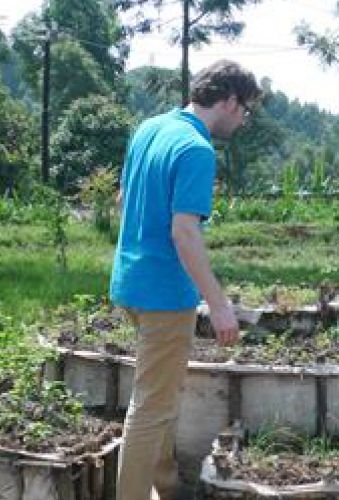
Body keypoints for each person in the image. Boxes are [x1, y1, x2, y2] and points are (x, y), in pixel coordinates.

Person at [110, 60, 258, 500]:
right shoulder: (196, 149)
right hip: (163, 296)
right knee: (150, 409)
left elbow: (123, 200)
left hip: (130, 284)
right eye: (245, 109)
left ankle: (168, 487)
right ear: (229, 100)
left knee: (161, 397)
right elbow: (184, 231)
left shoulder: (150, 128)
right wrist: (218, 302)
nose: (244, 119)